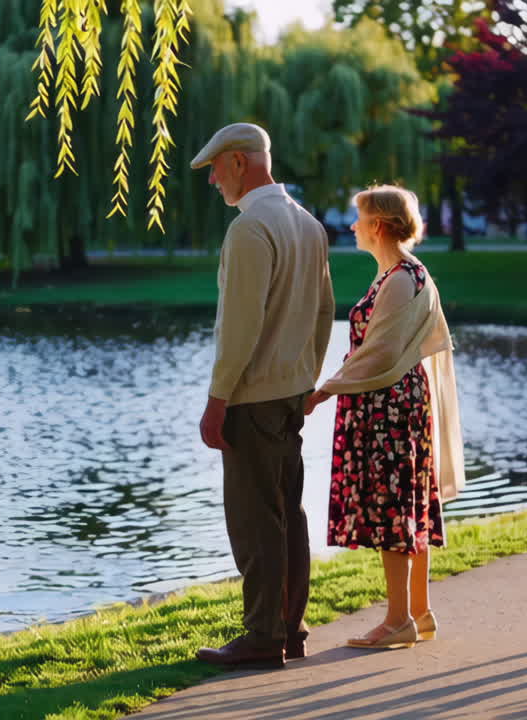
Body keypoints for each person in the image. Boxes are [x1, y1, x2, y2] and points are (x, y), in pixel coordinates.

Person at [189, 122, 335, 669]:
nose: (212, 182)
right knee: (287, 514)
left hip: (251, 399)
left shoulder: (250, 230)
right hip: (289, 394)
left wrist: (216, 399)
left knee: (254, 521)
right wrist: (305, 382)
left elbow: (240, 328)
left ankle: (260, 637)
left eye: (214, 170)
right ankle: (288, 631)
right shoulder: (308, 225)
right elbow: (324, 314)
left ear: (239, 162)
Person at [304, 184, 464, 650]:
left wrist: (321, 392)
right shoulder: (403, 273)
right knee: (404, 504)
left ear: (378, 225)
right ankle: (418, 611)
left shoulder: (400, 279)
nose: (352, 226)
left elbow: (379, 352)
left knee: (393, 509)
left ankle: (397, 620)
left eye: (359, 218)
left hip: (388, 407)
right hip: (396, 403)